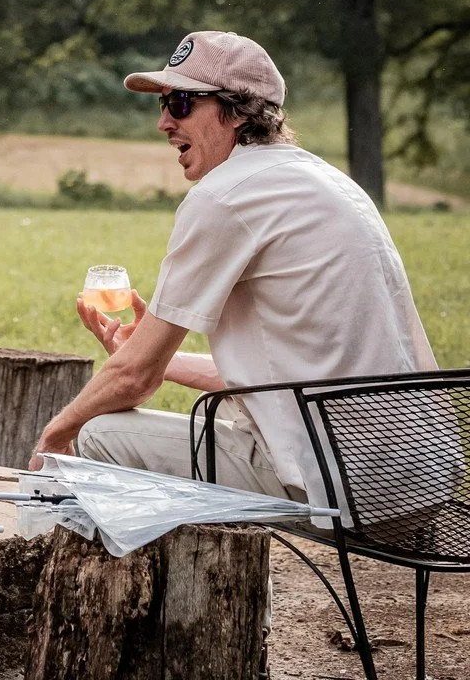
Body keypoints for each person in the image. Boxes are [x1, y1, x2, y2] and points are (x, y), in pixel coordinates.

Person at [31, 29, 437, 504]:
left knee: (97, 434)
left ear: (239, 110)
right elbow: (302, 372)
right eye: (161, 104)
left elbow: (132, 379)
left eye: (180, 102)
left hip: (342, 488)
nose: (163, 123)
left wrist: (55, 437)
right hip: (418, 478)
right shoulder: (328, 183)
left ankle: (129, 582)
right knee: (220, 425)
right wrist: (166, 359)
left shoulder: (225, 196)